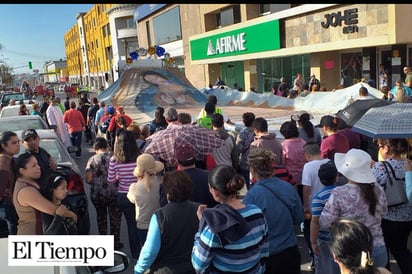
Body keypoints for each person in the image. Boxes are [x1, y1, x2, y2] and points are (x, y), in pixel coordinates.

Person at [192, 165, 269, 273]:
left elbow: (198, 264)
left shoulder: (213, 224)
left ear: (214, 191)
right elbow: (264, 251)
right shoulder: (257, 212)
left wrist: (201, 228)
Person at [320, 149, 388, 268]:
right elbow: (384, 211)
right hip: (378, 248)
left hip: (350, 252)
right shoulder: (377, 189)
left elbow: (325, 222)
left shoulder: (339, 193)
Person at [243, 147, 304, 274]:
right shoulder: (288, 187)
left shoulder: (252, 195)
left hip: (266, 255)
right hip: (290, 251)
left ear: (252, 169)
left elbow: (248, 229)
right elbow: (299, 217)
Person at [134, 170, 200, 274]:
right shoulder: (200, 210)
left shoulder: (160, 216)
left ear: (167, 192)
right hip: (194, 267)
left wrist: (138, 270)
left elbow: (150, 251)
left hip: (166, 269)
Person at [371, 138, 412, 273]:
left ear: (387, 148)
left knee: (387, 251)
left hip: (387, 216)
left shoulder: (380, 167)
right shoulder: (409, 164)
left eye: (380, 146)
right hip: (407, 216)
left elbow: (373, 188)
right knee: (401, 248)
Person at [12, 152, 77, 235]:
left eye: (38, 164)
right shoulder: (26, 190)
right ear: (22, 171)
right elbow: (53, 210)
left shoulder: (32, 182)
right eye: (34, 166)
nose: (38, 167)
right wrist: (72, 215)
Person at [107, 130, 141, 260]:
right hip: (140, 194)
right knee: (143, 223)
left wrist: (119, 177)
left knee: (131, 225)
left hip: (123, 195)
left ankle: (135, 255)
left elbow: (110, 180)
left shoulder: (114, 159)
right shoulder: (139, 157)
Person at [85, 137, 122, 249]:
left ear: (95, 148)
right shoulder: (116, 157)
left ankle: (104, 243)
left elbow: (89, 179)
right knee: (115, 218)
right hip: (115, 193)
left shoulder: (92, 160)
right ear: (106, 146)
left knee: (101, 217)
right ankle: (115, 242)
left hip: (98, 194)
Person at [127, 153, 164, 252]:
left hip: (143, 225)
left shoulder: (134, 187)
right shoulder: (160, 183)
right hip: (159, 223)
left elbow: (131, 199)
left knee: (147, 250)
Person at [310, 161, 340, 274]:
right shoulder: (342, 193)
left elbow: (315, 221)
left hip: (324, 238)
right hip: (340, 236)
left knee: (324, 266)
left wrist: (313, 242)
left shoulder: (318, 197)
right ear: (336, 177)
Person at [135, 70, 206, 117]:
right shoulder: (156, 89)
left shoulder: (174, 80)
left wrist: (180, 93)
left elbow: (188, 90)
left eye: (155, 78)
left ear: (159, 75)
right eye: (152, 81)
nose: (155, 81)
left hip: (188, 103)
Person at [175, 143, 217, 208]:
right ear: (195, 158)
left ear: (177, 161)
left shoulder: (174, 181)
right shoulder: (209, 175)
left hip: (187, 216)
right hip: (209, 215)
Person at [0, 131, 20, 235]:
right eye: (13, 143)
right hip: (9, 207)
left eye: (18, 142)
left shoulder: (11, 159)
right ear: (3, 145)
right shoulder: (3, 162)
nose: (18, 145)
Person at [236, 111, 255, 186]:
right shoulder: (257, 131)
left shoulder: (242, 133)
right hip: (256, 162)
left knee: (247, 183)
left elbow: (238, 149)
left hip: (245, 162)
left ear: (244, 122)